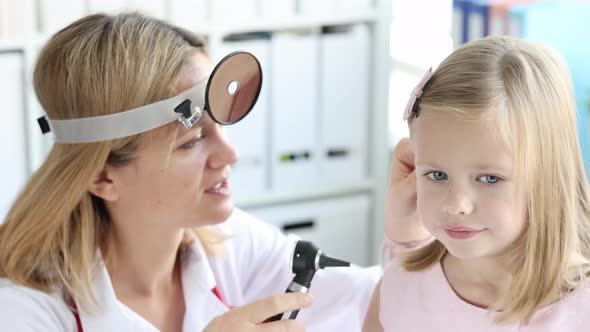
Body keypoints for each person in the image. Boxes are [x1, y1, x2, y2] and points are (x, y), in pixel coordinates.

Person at [0, 12, 379, 332]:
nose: (229, 155)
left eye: (221, 126)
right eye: (191, 141)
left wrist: (410, 234)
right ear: (102, 178)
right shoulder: (23, 310)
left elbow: (373, 304)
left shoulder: (228, 243)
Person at [363, 36, 590, 331]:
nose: (456, 204)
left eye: (489, 179)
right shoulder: (398, 288)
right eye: (436, 174)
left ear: (547, 176)